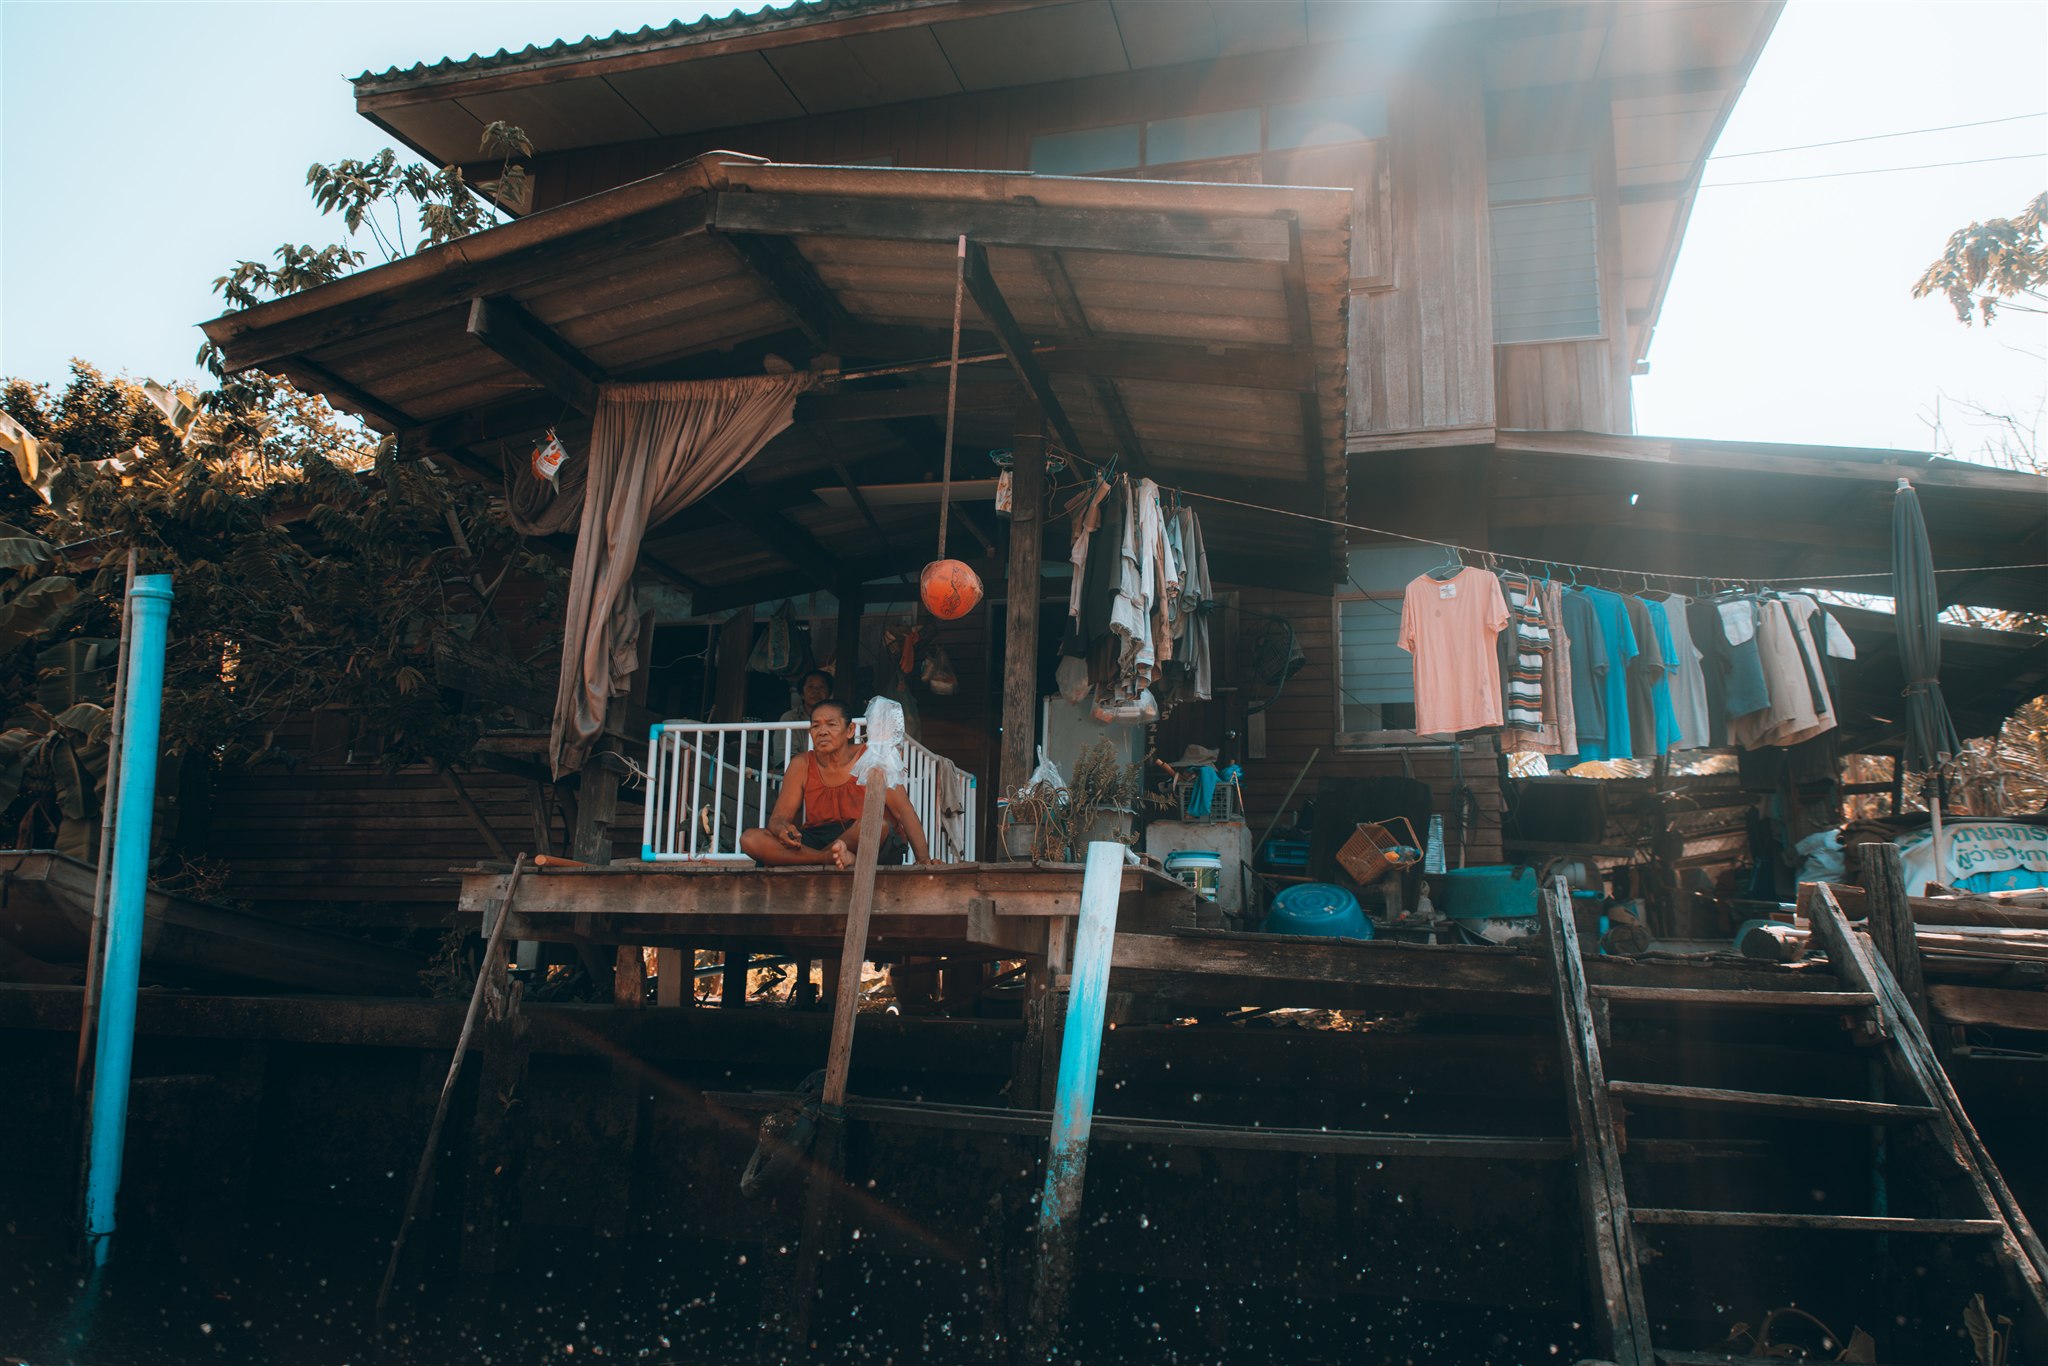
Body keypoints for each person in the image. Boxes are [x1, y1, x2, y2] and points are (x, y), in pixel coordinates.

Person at [739, 699, 930, 869]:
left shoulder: (873, 757)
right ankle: (828, 858)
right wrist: (782, 829)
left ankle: (827, 857)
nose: (823, 731)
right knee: (750, 839)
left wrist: (923, 859)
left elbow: (903, 811)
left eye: (831, 724)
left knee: (876, 826)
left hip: (866, 839)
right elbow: (779, 817)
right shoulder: (802, 764)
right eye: (816, 726)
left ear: (850, 730)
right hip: (818, 838)